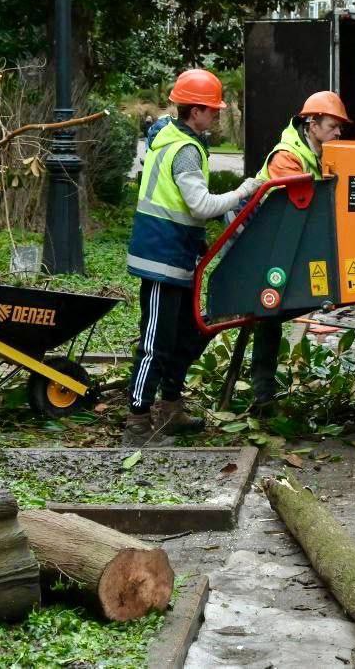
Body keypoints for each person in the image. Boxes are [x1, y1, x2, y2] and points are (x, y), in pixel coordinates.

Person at [124, 68, 260, 445]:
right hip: (161, 256)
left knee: (190, 331)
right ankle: (137, 421)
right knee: (155, 341)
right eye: (212, 110)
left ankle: (170, 407)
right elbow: (200, 205)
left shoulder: (178, 139)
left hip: (178, 254)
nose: (216, 116)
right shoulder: (183, 149)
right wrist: (243, 190)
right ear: (194, 110)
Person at [249, 90, 352, 413]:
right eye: (333, 126)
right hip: (265, 244)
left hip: (287, 242)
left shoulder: (318, 153)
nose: (338, 133)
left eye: (340, 128)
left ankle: (264, 394)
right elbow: (298, 211)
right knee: (269, 313)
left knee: (272, 316)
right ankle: (262, 395)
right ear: (311, 123)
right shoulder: (286, 158)